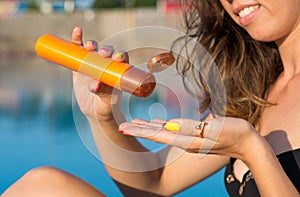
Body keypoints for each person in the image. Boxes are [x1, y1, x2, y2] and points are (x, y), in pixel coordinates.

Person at [2, 0, 300, 196]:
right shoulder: (259, 89)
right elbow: (153, 185)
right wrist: (103, 116)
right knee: (43, 186)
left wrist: (252, 150)